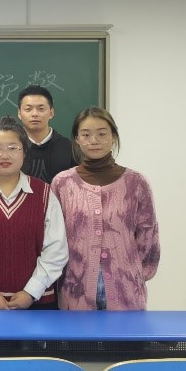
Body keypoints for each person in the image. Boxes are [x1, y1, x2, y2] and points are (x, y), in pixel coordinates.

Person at [51, 107, 160, 310]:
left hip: (126, 292)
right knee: (79, 333)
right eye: (86, 135)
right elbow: (54, 238)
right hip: (76, 291)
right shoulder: (63, 183)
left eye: (102, 134)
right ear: (77, 139)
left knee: (126, 333)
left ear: (114, 137)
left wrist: (134, 275)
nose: (94, 140)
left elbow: (148, 237)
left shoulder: (136, 183)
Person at [0, 116, 68, 310]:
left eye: (13, 148)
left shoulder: (44, 193)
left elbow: (56, 249)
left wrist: (31, 292)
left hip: (38, 304)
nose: (5, 155)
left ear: (24, 152)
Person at [15, 84, 76, 183]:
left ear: (51, 113)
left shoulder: (69, 148)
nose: (35, 114)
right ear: (19, 113)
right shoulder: (10, 148)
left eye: (41, 109)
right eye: (28, 109)